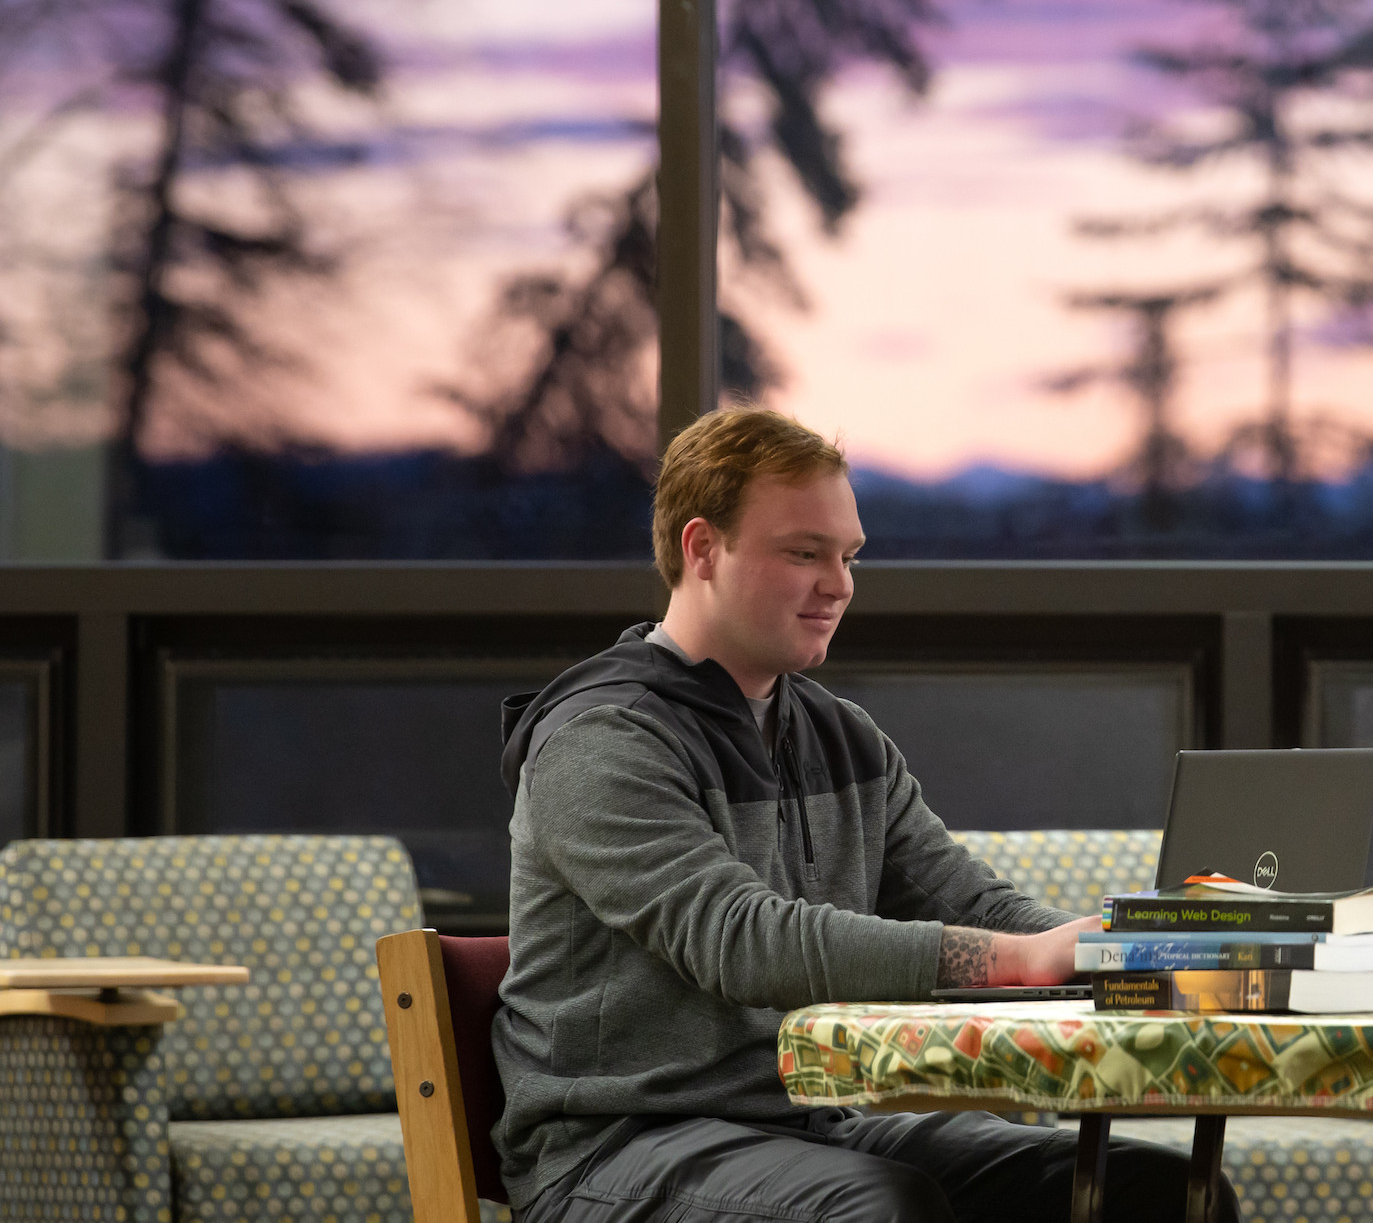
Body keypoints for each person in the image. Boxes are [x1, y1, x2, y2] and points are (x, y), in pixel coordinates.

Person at [493, 406, 1232, 1223]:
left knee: (1168, 1194)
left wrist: (1123, 953)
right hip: (613, 1149)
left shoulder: (840, 736)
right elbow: (740, 939)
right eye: (804, 553)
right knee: (885, 1210)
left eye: (847, 556)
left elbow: (975, 906)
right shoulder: (600, 739)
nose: (840, 584)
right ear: (703, 548)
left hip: (811, 1125)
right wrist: (1017, 959)